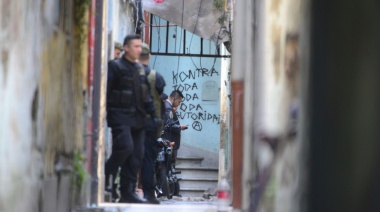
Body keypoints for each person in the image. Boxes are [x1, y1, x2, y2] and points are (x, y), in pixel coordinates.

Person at [105, 34, 159, 204]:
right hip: (120, 117)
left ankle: (127, 192)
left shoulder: (139, 69)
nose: (139, 49)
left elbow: (147, 96)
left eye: (140, 46)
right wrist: (108, 114)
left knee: (136, 156)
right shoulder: (115, 66)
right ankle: (108, 178)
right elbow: (106, 92)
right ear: (126, 48)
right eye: (135, 46)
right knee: (124, 148)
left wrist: (154, 116)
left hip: (139, 119)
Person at [139, 43, 166, 204]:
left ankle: (122, 190)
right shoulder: (156, 77)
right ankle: (149, 193)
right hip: (150, 124)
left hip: (129, 122)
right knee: (148, 159)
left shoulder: (127, 73)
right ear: (149, 56)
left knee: (130, 157)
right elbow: (161, 95)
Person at [162, 90, 188, 196]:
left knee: (170, 167)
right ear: (175, 99)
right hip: (168, 141)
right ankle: (166, 190)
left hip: (170, 141)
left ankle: (170, 190)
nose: (179, 104)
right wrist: (180, 127)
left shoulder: (168, 107)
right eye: (179, 101)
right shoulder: (168, 108)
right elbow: (170, 125)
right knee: (167, 166)